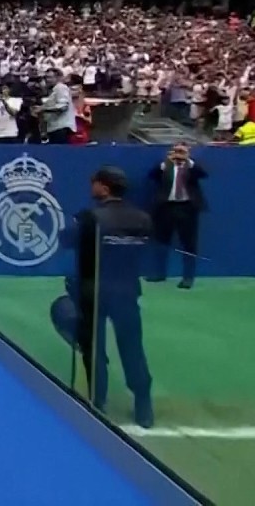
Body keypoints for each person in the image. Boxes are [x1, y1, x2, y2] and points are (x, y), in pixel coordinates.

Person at [50, 167, 154, 428]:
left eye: (94, 183)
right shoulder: (142, 218)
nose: (91, 187)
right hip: (127, 291)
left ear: (104, 188)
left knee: (92, 346)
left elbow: (66, 240)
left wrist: (77, 223)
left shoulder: (90, 218)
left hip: (93, 292)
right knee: (132, 348)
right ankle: (144, 405)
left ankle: (97, 400)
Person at [146, 143, 207, 288]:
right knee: (161, 242)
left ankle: (188, 278)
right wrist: (166, 162)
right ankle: (159, 274)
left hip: (187, 208)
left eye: (181, 151)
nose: (178, 154)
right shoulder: (165, 167)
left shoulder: (192, 167)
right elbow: (151, 175)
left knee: (189, 244)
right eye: (176, 150)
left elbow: (203, 174)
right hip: (166, 208)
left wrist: (188, 160)